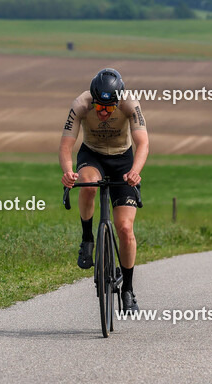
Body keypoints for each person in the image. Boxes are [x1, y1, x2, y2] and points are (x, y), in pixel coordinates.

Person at [59, 67, 149, 313]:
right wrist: (68, 172)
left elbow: (143, 143)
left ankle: (128, 290)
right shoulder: (81, 104)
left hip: (123, 160)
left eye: (109, 108)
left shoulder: (130, 104)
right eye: (99, 107)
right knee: (87, 186)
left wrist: (135, 171)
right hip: (93, 155)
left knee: (125, 229)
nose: (103, 112)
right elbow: (66, 146)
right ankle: (87, 238)